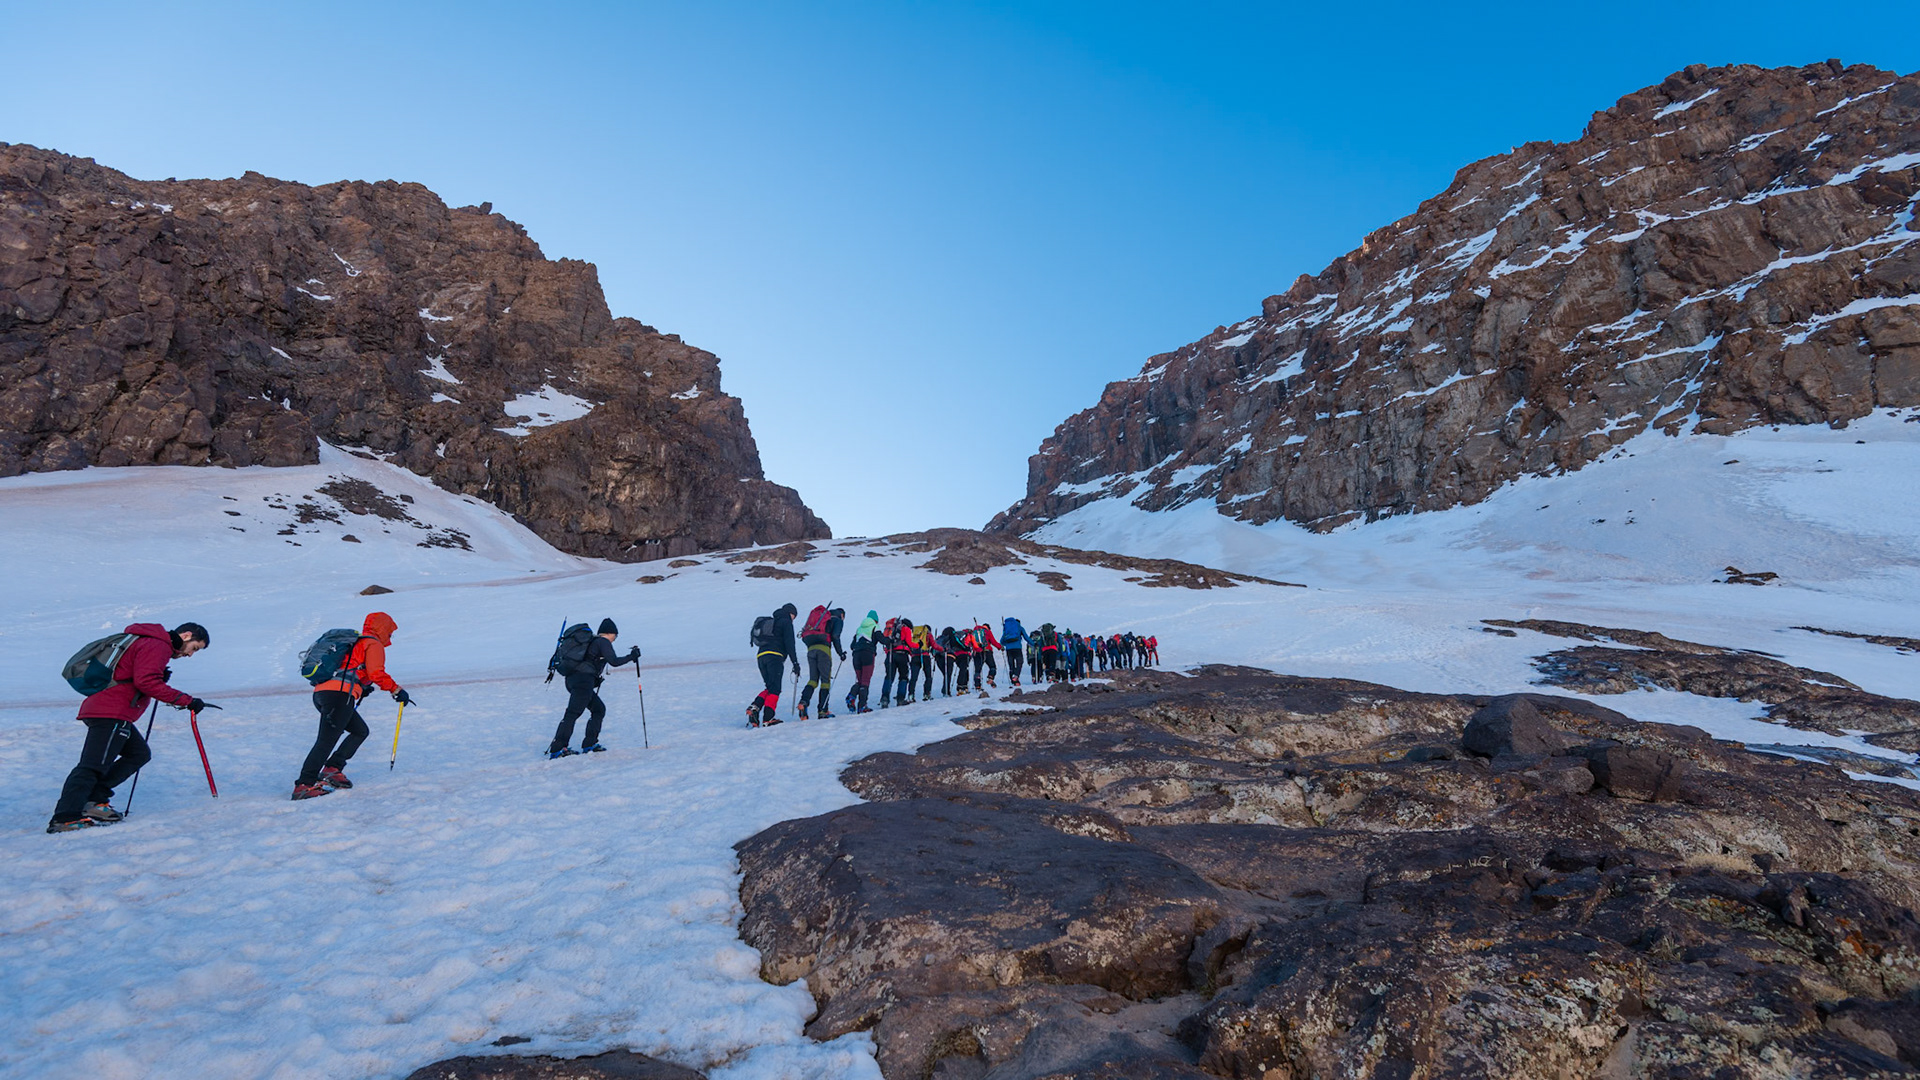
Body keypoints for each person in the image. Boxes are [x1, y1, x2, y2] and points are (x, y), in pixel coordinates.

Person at [47, 623, 212, 833]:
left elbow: (136, 675)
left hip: (112, 711)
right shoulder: (157, 645)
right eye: (194, 648)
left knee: (139, 754)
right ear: (186, 635)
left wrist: (158, 677)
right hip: (111, 712)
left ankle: (95, 801)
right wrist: (186, 700)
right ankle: (65, 816)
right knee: (92, 765)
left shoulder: (148, 642)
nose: (190, 655)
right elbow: (147, 683)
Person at [295, 612, 411, 800]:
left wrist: (361, 686)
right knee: (326, 741)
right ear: (383, 629)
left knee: (360, 731)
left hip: (323, 693)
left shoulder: (357, 643)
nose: (390, 636)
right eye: (389, 631)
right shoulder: (372, 643)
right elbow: (376, 673)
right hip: (338, 695)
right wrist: (396, 690)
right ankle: (304, 785)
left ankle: (333, 768)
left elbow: (352, 669)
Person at [547, 618, 639, 758]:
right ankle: (557, 749)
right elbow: (613, 661)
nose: (615, 639)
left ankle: (590, 744)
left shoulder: (593, 642)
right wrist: (631, 657)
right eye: (615, 635)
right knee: (572, 713)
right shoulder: (603, 642)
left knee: (598, 709)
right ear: (610, 633)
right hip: (582, 682)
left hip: (574, 681)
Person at [748, 603, 800, 727]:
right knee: (775, 688)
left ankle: (754, 708)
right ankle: (768, 718)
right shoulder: (786, 622)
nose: (793, 619)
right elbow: (789, 643)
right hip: (775, 656)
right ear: (790, 613)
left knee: (770, 686)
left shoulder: (773, 622)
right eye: (794, 616)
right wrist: (795, 662)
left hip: (761, 656)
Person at [799, 605, 846, 720]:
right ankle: (823, 710)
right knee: (825, 681)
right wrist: (841, 653)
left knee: (813, 680)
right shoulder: (837, 620)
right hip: (824, 650)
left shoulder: (823, 619)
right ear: (842, 615)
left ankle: (803, 702)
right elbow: (835, 636)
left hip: (811, 650)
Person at [845, 610, 880, 714]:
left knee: (859, 681)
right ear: (876, 620)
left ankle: (851, 696)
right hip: (868, 655)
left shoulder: (859, 629)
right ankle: (862, 706)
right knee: (865, 681)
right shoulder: (875, 627)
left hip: (856, 656)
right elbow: (882, 639)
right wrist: (890, 641)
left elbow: (852, 646)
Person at [1000, 617, 1027, 689]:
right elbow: (1026, 638)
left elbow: (1002, 641)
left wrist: (1007, 645)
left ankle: (1013, 680)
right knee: (1019, 662)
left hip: (1009, 649)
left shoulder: (1007, 628)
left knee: (1011, 665)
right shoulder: (1019, 627)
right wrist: (1034, 644)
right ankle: (1016, 676)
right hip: (1017, 648)